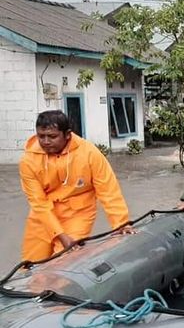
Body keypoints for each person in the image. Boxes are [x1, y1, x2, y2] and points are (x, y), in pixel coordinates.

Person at [19, 110, 134, 262]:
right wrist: (60, 235)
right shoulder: (28, 160)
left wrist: (121, 224)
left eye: (52, 136)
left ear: (67, 135)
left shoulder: (89, 153)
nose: (46, 141)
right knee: (30, 264)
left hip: (78, 213)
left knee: (62, 263)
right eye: (41, 136)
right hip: (43, 215)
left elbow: (108, 190)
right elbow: (38, 203)